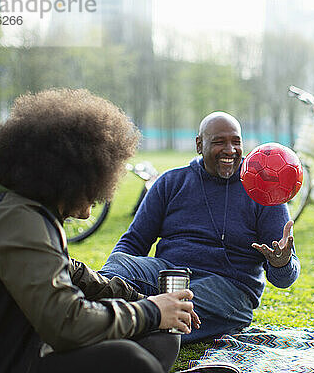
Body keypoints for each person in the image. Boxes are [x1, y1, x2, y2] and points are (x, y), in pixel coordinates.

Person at [0, 89, 200, 373]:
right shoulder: (18, 219)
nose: (105, 189)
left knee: (160, 337)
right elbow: (66, 322)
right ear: (72, 172)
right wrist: (153, 311)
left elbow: (72, 273)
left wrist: (144, 301)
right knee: (130, 360)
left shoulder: (20, 209)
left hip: (16, 345)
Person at [100, 111, 300, 343]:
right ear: (199, 144)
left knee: (178, 312)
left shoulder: (261, 188)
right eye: (219, 142)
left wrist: (281, 262)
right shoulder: (170, 182)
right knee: (119, 264)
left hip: (228, 288)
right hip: (169, 274)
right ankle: (102, 314)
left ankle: (121, 327)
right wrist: (113, 279)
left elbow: (284, 279)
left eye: (236, 142)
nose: (230, 150)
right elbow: (134, 241)